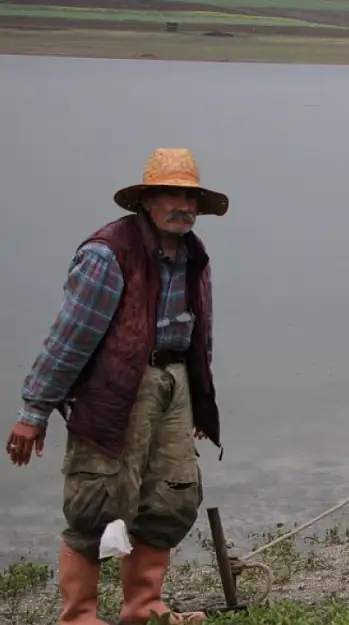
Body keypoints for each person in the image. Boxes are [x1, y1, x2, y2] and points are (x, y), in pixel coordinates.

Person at [6, 148, 227, 625]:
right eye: (171, 193)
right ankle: (81, 615)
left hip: (174, 385)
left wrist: (198, 409)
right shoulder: (109, 252)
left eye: (190, 195)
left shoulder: (194, 252)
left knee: (172, 497)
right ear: (146, 199)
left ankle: (143, 609)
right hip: (114, 386)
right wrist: (34, 412)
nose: (182, 204)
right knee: (96, 501)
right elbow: (71, 336)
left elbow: (199, 335)